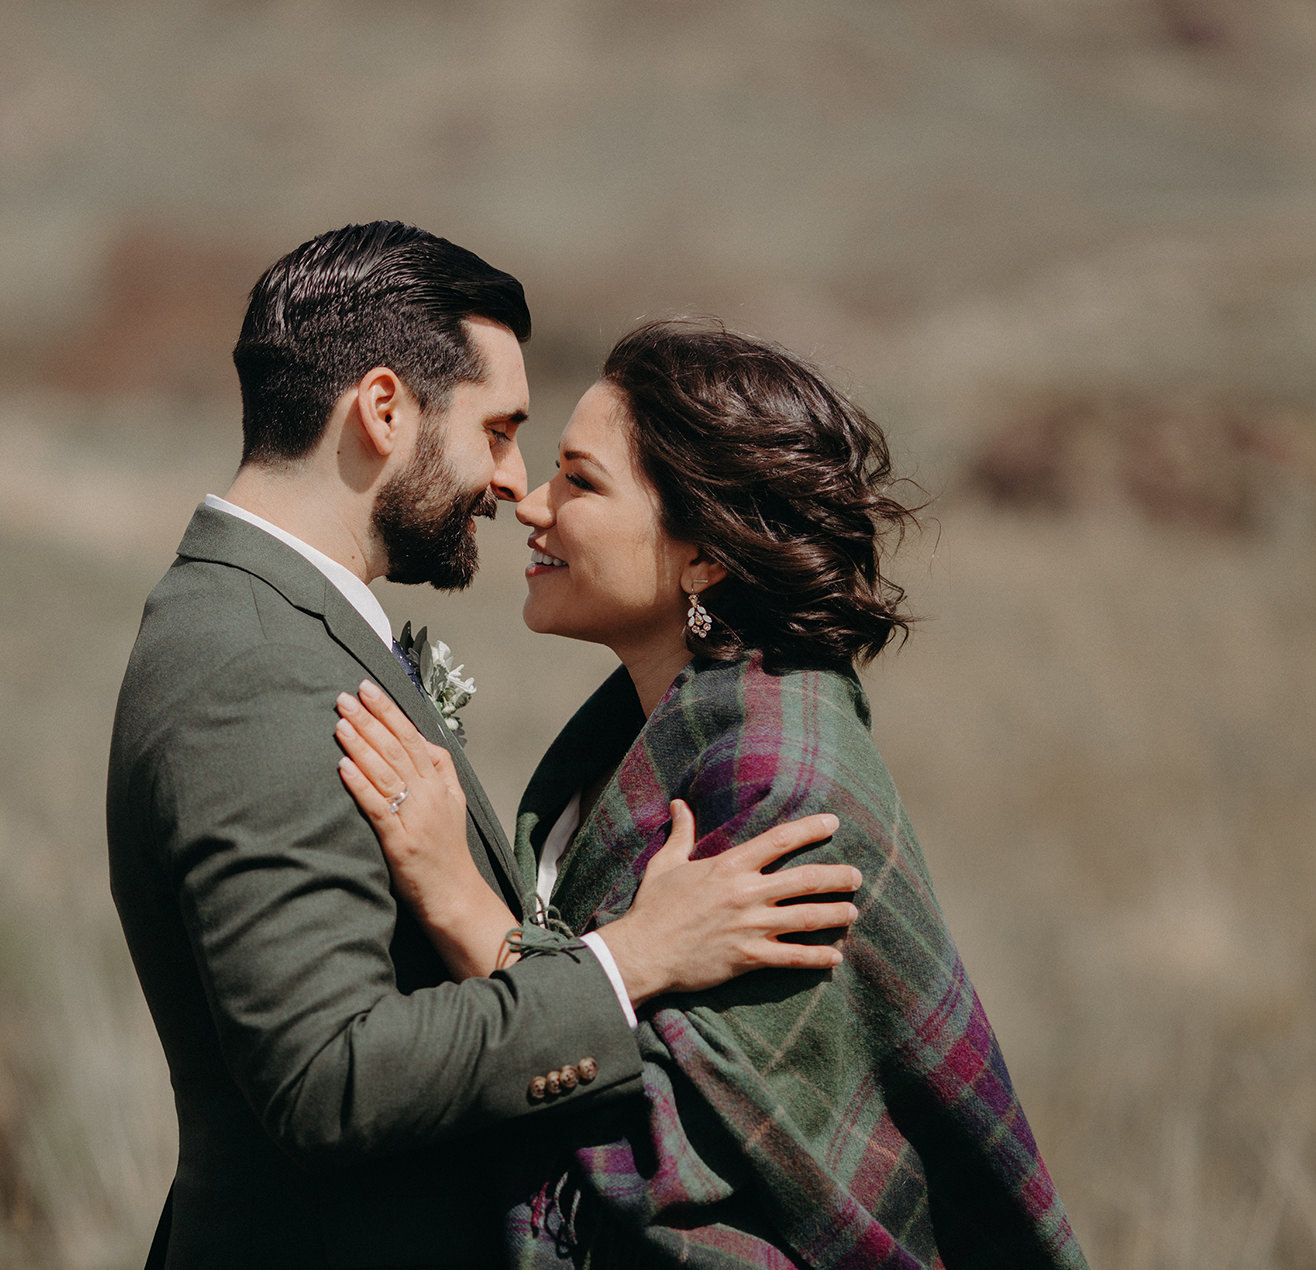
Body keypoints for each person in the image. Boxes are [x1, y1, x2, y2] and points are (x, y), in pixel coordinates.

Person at [107, 225, 867, 1270]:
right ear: (383, 409)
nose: (513, 483)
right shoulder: (250, 663)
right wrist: (630, 959)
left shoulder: (275, 626)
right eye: (500, 429)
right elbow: (329, 1079)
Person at [332, 320, 1089, 1268]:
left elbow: (678, 1158)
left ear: (706, 556)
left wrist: (459, 904)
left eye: (581, 479)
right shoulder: (642, 729)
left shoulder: (781, 783)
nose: (530, 503)